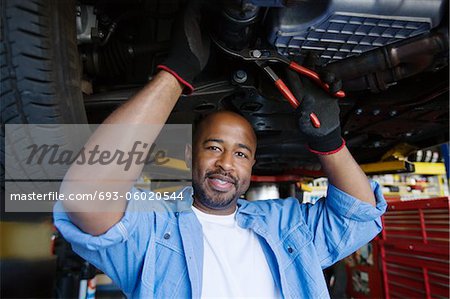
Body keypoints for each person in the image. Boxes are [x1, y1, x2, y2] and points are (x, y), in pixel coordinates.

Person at [53, 3, 387, 298]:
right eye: (214, 147)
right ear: (188, 155)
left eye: (241, 154)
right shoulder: (153, 229)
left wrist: (329, 141)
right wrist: (175, 74)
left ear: (252, 165)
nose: (226, 163)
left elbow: (357, 215)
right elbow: (88, 196)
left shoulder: (286, 224)